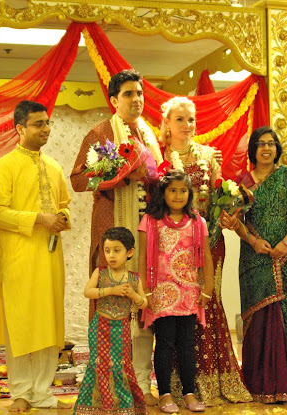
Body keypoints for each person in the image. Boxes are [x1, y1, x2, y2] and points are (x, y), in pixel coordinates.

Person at [70, 69, 162, 406]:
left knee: (143, 304)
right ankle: (107, 384)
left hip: (146, 230)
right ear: (113, 100)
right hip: (112, 230)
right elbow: (78, 180)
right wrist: (117, 175)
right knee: (112, 305)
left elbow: (158, 176)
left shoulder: (150, 135)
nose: (137, 99)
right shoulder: (100, 133)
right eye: (128, 94)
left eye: (140, 93)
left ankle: (141, 383)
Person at [220, 126, 287, 403]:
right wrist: (253, 241)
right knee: (258, 320)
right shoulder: (243, 184)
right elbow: (236, 222)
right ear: (253, 150)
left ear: (277, 148)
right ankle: (259, 384)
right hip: (254, 260)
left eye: (271, 143)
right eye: (261, 144)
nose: (266, 148)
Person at [159, 97, 251, 404]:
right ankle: (178, 384)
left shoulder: (209, 155)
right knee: (176, 311)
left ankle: (213, 378)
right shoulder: (157, 155)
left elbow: (218, 193)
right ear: (167, 123)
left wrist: (228, 213)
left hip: (209, 243)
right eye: (180, 119)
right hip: (172, 249)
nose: (187, 125)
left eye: (191, 120)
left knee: (208, 304)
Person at [0, 100, 72, 413]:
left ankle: (42, 391)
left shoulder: (54, 166)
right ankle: (21, 391)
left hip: (50, 257)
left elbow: (64, 204)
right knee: (20, 325)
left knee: (49, 323)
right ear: (20, 128)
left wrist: (61, 217)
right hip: (19, 257)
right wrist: (39, 219)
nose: (46, 129)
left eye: (47, 123)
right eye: (38, 124)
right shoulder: (4, 166)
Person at [138, 170, 214, 413]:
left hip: (189, 293)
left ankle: (189, 393)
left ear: (190, 194)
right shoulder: (150, 221)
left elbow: (207, 258)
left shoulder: (198, 222)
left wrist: (208, 289)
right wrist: (145, 292)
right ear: (163, 193)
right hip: (161, 293)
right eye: (172, 190)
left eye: (183, 191)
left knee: (187, 344)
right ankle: (164, 394)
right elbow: (142, 258)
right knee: (164, 343)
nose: (178, 195)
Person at [73, 227, 148, 415]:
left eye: (116, 250)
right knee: (99, 363)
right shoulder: (100, 273)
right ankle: (98, 407)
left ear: (129, 252)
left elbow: (144, 303)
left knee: (120, 364)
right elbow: (87, 292)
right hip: (100, 327)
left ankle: (121, 407)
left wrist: (132, 295)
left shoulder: (133, 279)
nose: (111, 255)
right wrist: (110, 291)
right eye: (107, 251)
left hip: (121, 329)